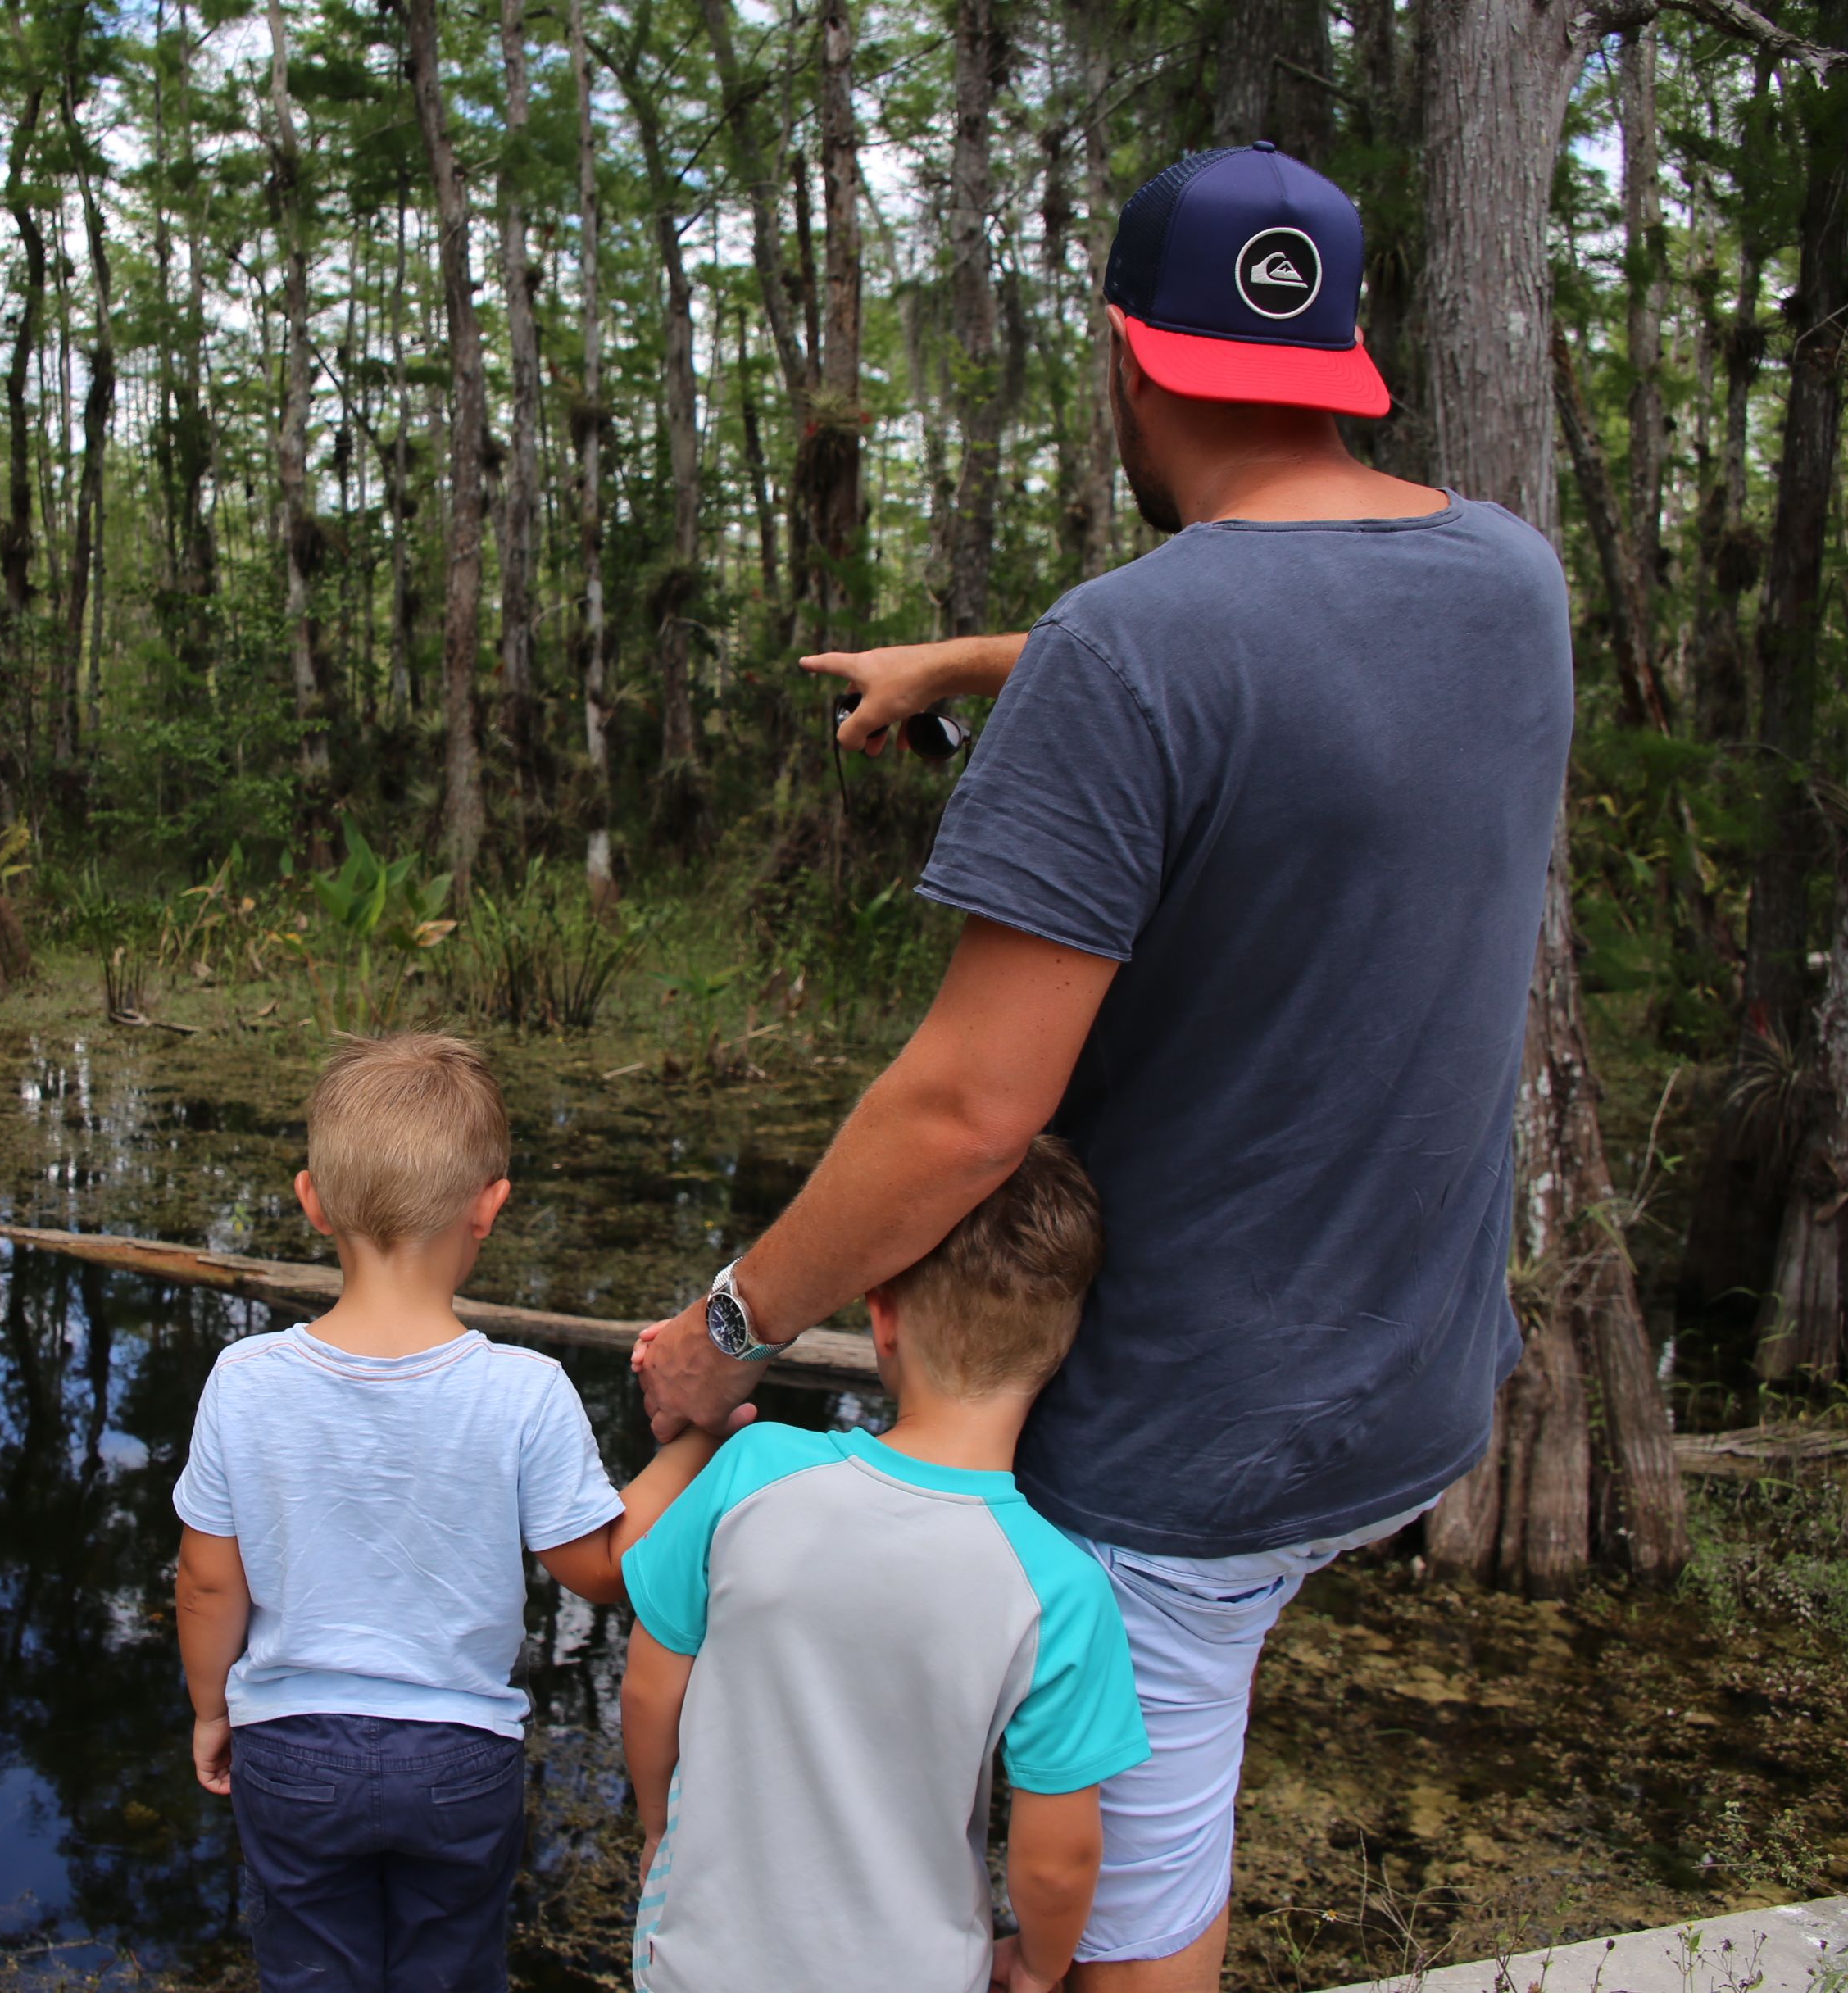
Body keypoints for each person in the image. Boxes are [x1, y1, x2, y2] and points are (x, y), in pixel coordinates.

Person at [630, 141, 1574, 1993]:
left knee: (1125, 1894)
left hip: (1190, 1445)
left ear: (1128, 366)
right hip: (1413, 1392)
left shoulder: (1134, 653)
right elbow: (1292, 640)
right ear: (1351, 357)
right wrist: (980, 659)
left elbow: (968, 1108)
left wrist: (727, 1326)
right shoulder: (1511, 579)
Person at [173, 1031, 736, 1993]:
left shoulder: (243, 1379)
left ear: (311, 1199)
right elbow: (601, 1569)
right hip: (461, 1758)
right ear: (491, 1206)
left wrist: (210, 1706)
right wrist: (696, 1440)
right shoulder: (526, 1390)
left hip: (294, 1745)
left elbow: (207, 1578)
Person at [619, 1134, 1147, 1993]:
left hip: (701, 1959)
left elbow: (649, 1684)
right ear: (1062, 1343)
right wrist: (1043, 1963)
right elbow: (1057, 1859)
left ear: (883, 1313)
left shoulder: (755, 1471)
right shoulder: (1062, 1589)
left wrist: (655, 1824)